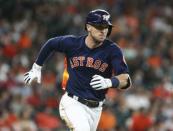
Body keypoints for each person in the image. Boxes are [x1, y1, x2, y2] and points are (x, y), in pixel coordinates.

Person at [24, 9, 132, 131]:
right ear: (88, 27)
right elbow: (50, 44)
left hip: (96, 109)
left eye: (106, 27)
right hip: (72, 102)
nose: (103, 31)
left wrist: (110, 82)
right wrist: (37, 67)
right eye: (99, 26)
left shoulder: (113, 50)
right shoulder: (73, 43)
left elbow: (126, 80)